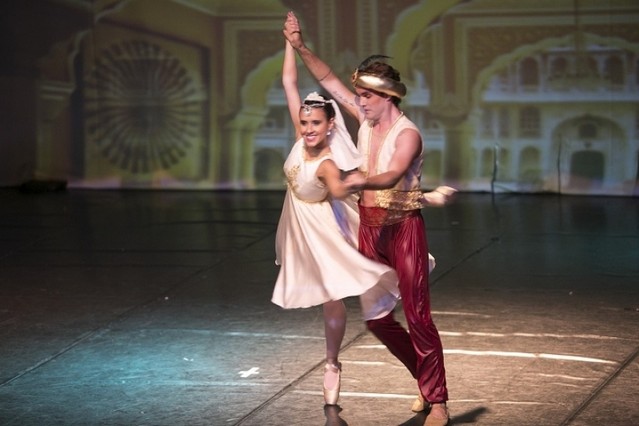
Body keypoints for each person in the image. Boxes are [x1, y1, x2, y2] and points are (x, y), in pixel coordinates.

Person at [283, 11, 452, 426]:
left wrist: (353, 180)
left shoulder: (406, 133)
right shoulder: (365, 122)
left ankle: (440, 401)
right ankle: (424, 382)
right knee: (377, 320)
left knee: (418, 316)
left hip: (404, 229)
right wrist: (300, 46)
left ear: (388, 97)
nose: (357, 102)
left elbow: (393, 174)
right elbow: (328, 82)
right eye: (357, 95)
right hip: (370, 230)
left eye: (366, 97)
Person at [271, 38, 402, 407]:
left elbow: (340, 191)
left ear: (331, 125)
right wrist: (288, 44)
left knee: (333, 297)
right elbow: (288, 84)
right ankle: (332, 361)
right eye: (304, 122)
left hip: (321, 229)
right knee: (327, 298)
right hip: (297, 221)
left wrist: (357, 184)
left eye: (315, 123)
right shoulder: (302, 137)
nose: (308, 129)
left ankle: (332, 364)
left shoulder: (328, 162)